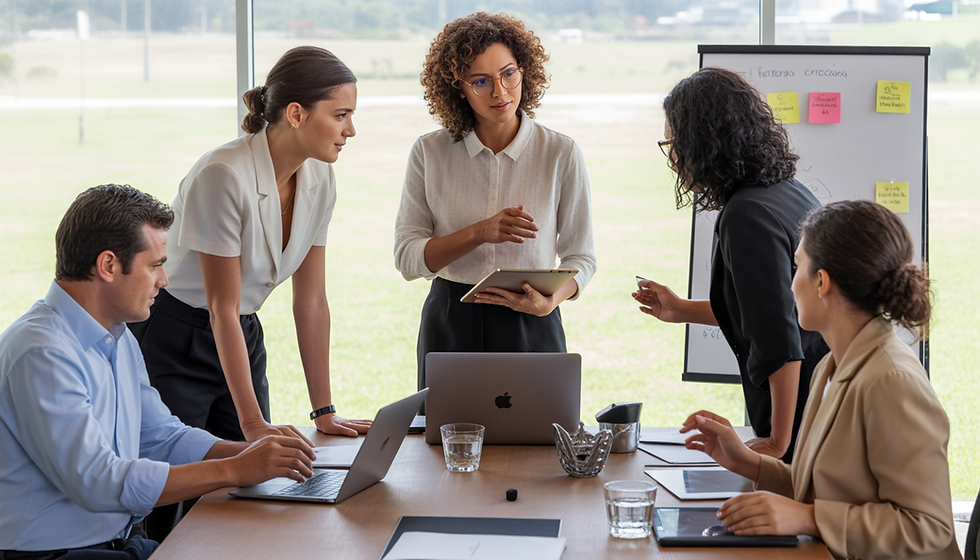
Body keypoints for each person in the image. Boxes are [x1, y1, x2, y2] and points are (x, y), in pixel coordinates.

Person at [0, 185, 315, 558]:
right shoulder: (42, 352)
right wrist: (236, 470)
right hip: (54, 554)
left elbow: (161, 436)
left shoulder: (118, 338)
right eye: (155, 265)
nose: (164, 281)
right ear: (108, 266)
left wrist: (258, 454)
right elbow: (97, 482)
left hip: (117, 544)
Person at [682, 200, 960, 560]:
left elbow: (928, 526)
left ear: (822, 282)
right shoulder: (831, 365)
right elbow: (826, 489)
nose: (790, 282)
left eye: (796, 267)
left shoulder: (891, 381)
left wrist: (808, 518)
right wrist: (745, 462)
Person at [130, 45, 370, 446]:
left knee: (251, 482)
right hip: (175, 339)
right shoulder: (222, 175)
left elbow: (310, 299)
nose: (350, 130)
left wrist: (324, 411)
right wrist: (253, 423)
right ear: (296, 114)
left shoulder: (321, 178)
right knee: (178, 487)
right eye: (340, 115)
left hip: (242, 333)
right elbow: (221, 305)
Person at [632, 67, 828, 462]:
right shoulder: (784, 190)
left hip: (806, 422)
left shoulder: (746, 215)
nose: (672, 156)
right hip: (826, 404)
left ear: (703, 142)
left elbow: (781, 341)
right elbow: (767, 310)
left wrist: (778, 440)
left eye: (674, 141)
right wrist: (681, 310)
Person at [394, 12, 597, 391]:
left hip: (532, 319)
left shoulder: (560, 152)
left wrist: (553, 300)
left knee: (538, 445)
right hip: (451, 321)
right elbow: (407, 259)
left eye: (509, 74)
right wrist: (480, 232)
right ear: (458, 88)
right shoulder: (429, 152)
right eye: (481, 81)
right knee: (446, 446)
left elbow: (581, 258)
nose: (500, 92)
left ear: (525, 71)